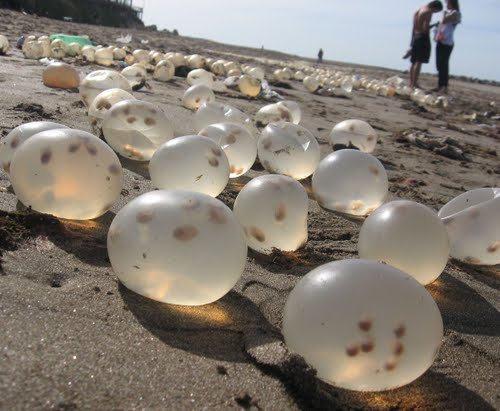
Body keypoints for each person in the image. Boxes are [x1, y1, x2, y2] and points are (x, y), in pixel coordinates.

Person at [408, 1, 443, 89]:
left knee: (413, 61)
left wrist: (412, 41)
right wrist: (432, 30)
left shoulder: (419, 10)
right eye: (436, 11)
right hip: (422, 37)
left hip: (416, 35)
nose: (435, 13)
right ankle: (414, 83)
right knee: (419, 61)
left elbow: (415, 26)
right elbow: (425, 27)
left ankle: (411, 82)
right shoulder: (428, 12)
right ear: (434, 7)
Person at [434, 0, 461, 94]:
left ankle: (444, 86)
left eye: (447, 2)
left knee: (443, 65)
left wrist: (444, 13)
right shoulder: (448, 13)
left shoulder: (456, 13)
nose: (446, 4)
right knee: (439, 64)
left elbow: (443, 20)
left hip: (447, 43)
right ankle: (440, 85)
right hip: (440, 40)